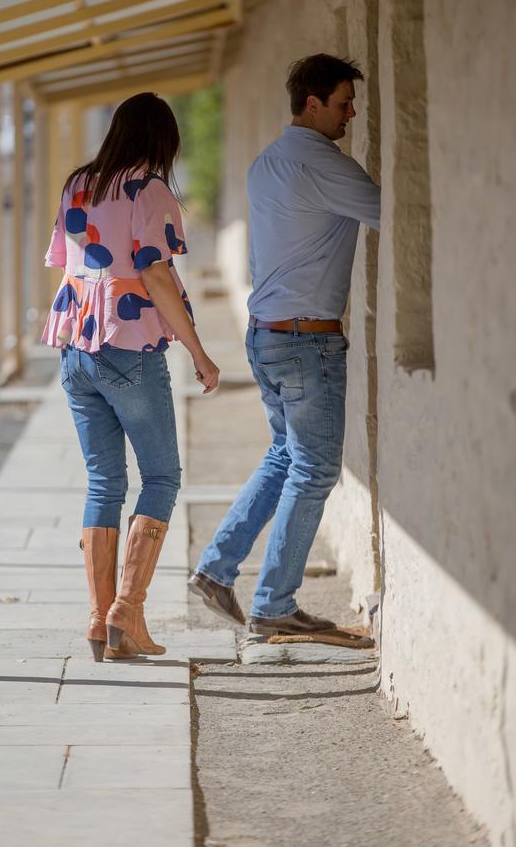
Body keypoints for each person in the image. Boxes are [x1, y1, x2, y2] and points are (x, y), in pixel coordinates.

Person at [188, 54, 381, 635]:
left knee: (285, 456)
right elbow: (398, 210)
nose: (352, 114)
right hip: (307, 343)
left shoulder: (265, 162)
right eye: (344, 103)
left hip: (266, 335)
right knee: (315, 469)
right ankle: (274, 606)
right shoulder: (326, 165)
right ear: (313, 103)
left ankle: (218, 569)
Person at [41, 92, 219, 661]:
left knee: (103, 483)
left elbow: (67, 262)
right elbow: (157, 276)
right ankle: (127, 612)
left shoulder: (79, 184)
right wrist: (199, 351)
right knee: (162, 476)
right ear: (162, 140)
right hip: (128, 345)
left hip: (76, 349)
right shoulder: (150, 190)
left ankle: (99, 621)